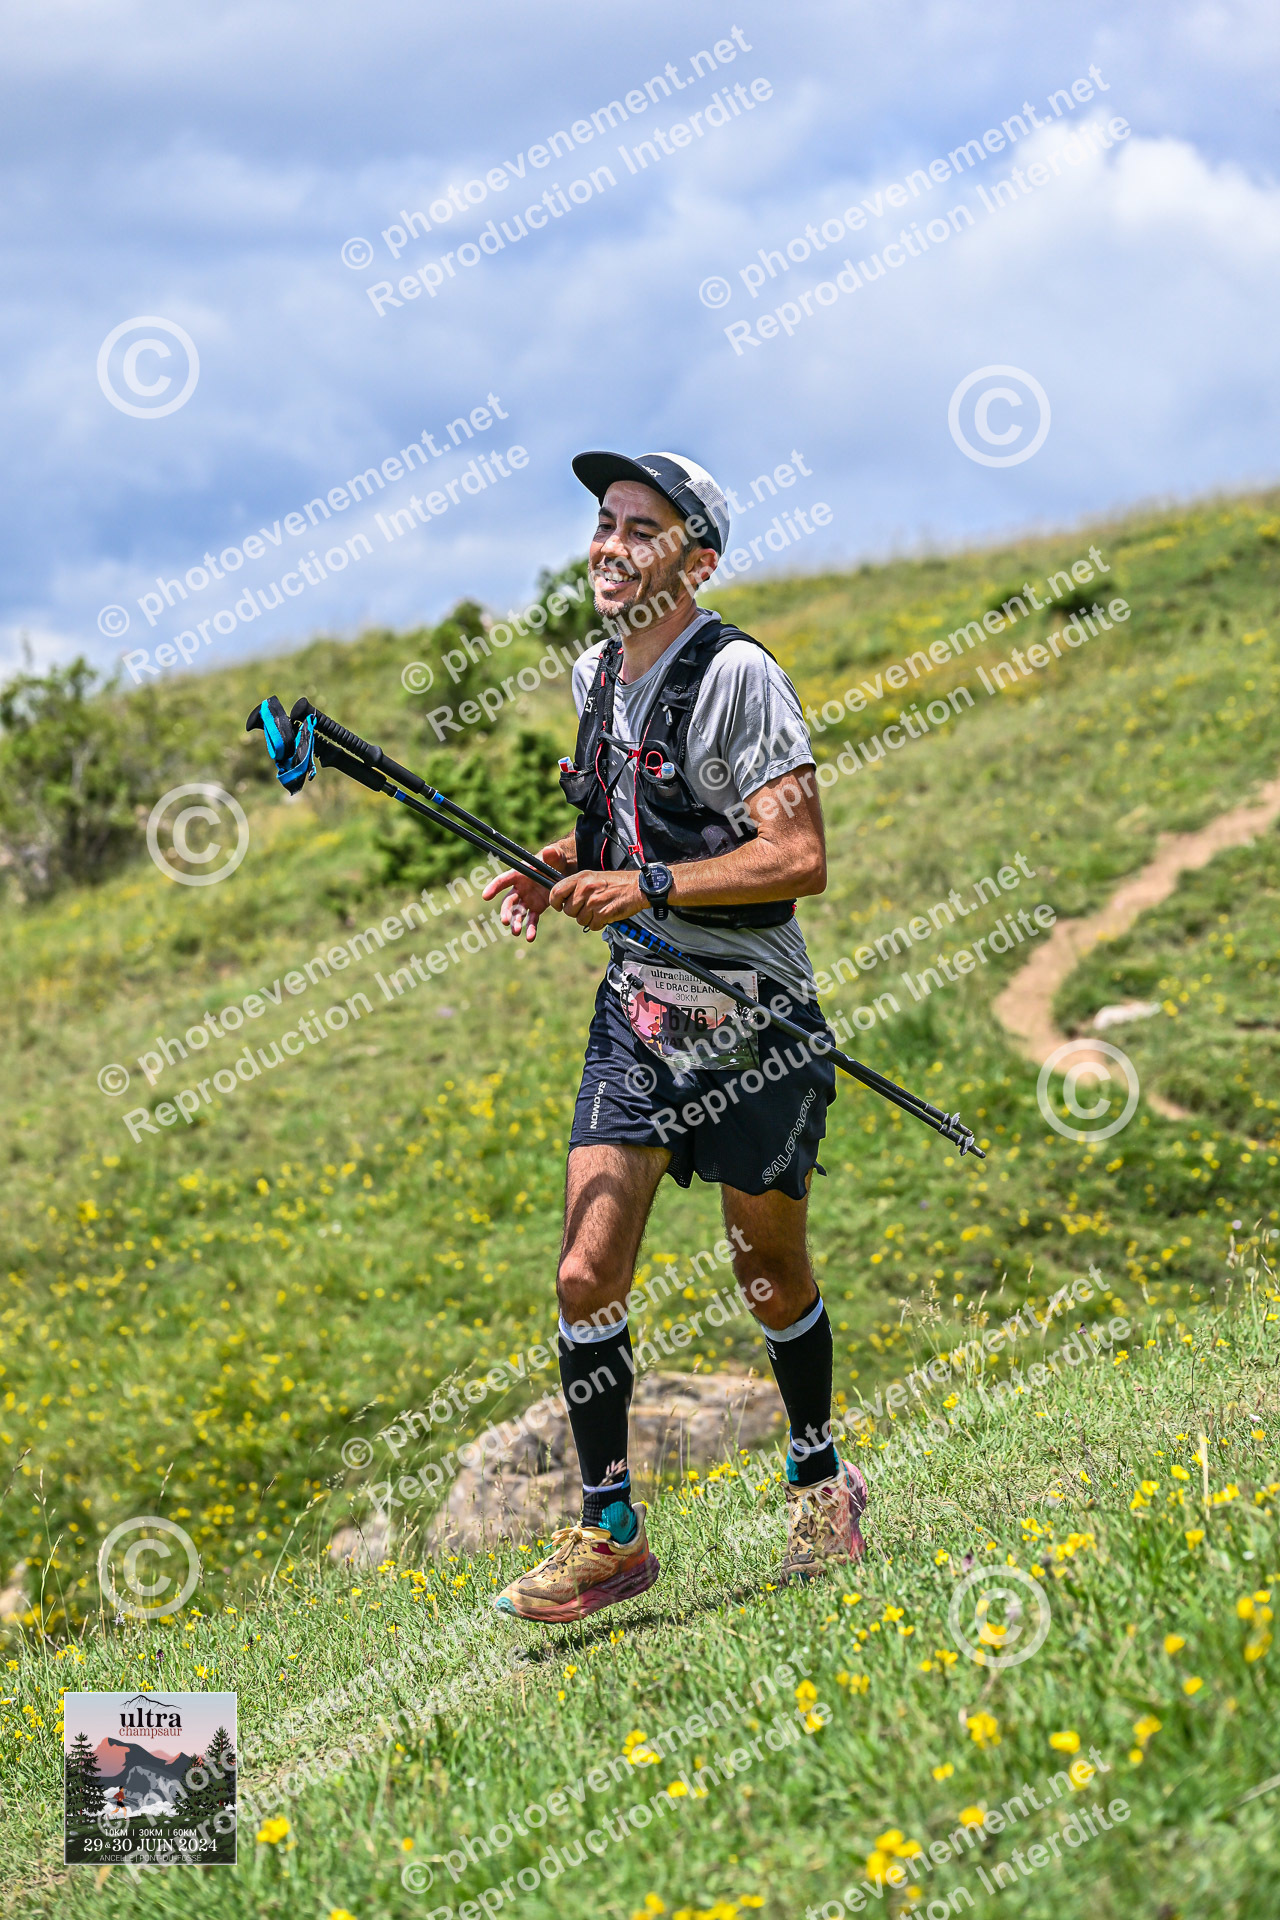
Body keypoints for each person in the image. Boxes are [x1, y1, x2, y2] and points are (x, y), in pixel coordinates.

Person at [483, 449, 867, 1622]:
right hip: (639, 1011)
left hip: (754, 1020)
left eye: (638, 529)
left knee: (767, 1272)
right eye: (603, 524)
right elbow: (616, 826)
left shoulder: (739, 675)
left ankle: (818, 1478)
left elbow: (796, 856)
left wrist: (643, 885)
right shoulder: (593, 673)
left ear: (694, 562)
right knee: (583, 1270)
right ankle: (609, 1531)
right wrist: (552, 866)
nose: (608, 546)